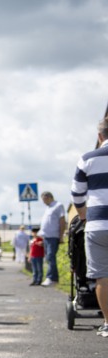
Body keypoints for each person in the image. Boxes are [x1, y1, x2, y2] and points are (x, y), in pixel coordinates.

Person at [70, 116, 108, 336]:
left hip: (98, 225)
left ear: (99, 136)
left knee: (103, 275)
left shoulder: (87, 158)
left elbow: (77, 193)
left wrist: (84, 215)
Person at [38, 191, 66, 286]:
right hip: (47, 236)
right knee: (48, 257)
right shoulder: (48, 208)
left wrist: (61, 236)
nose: (43, 202)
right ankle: (53, 278)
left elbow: (62, 221)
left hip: (53, 236)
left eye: (44, 199)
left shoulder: (58, 206)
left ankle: (51, 278)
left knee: (50, 256)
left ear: (48, 197)